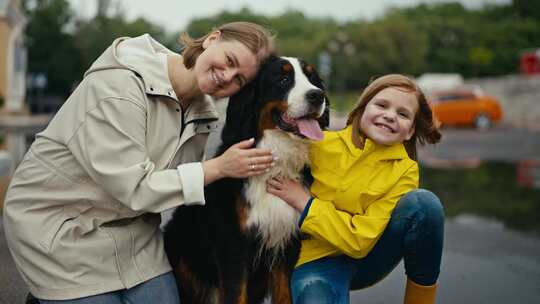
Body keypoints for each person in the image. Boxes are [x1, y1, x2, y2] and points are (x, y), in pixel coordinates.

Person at [3, 21, 276, 303]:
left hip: (133, 233)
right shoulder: (119, 86)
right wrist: (218, 168)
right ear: (212, 39)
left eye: (239, 80)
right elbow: (136, 188)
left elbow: (177, 186)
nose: (226, 76)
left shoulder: (203, 114)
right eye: (229, 60)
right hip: (62, 227)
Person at [267, 74, 444, 304]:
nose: (390, 116)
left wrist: (304, 202)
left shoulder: (405, 170)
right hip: (314, 261)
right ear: (361, 110)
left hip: (369, 258)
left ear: (410, 131)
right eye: (381, 105)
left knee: (424, 205)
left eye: (403, 114)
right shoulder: (319, 144)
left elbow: (360, 243)